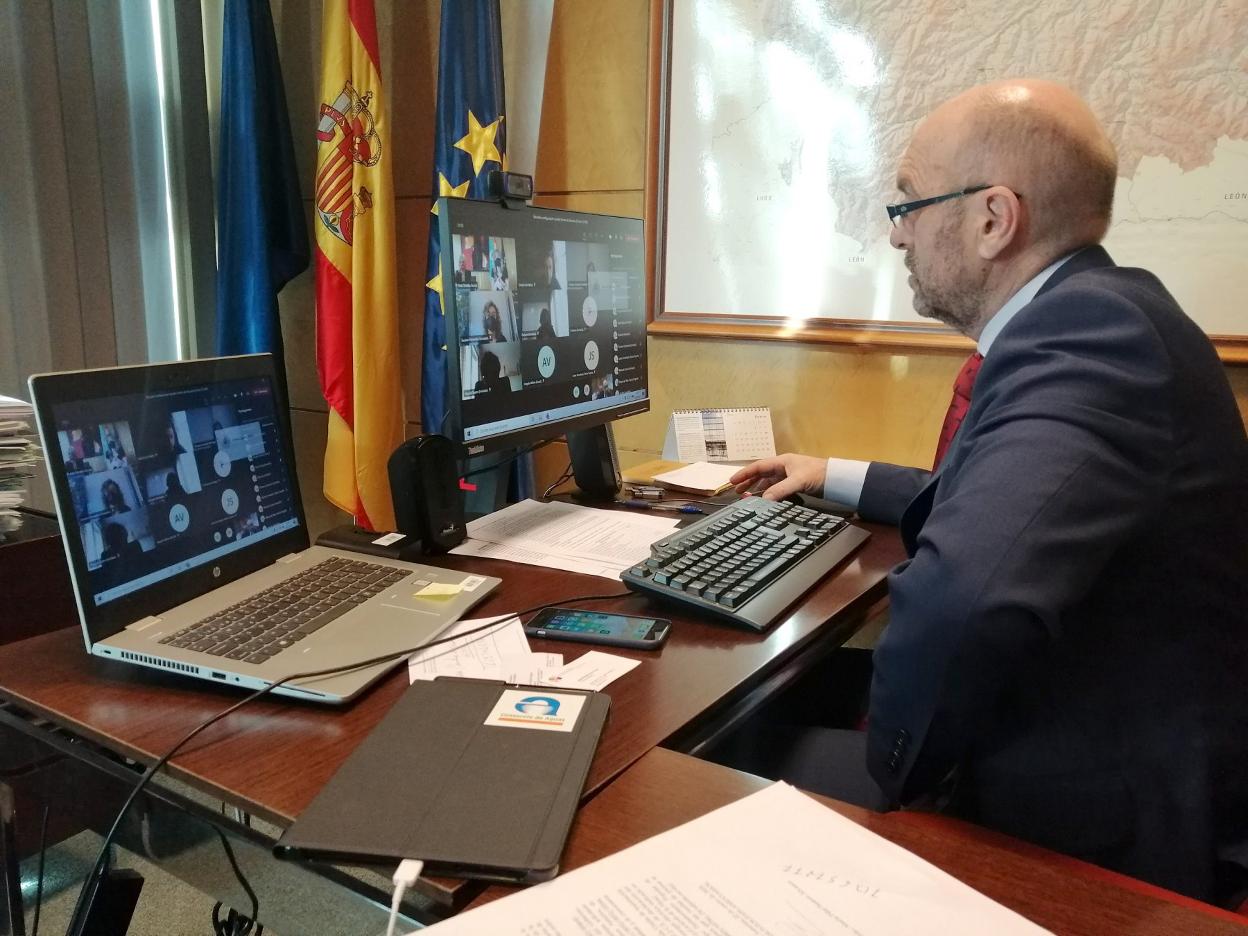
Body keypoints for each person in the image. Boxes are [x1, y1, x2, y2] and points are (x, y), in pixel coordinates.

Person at [729, 80, 1248, 905]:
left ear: (993, 220)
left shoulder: (1091, 336)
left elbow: (962, 599)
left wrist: (896, 787)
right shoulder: (1104, 311)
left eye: (908, 204)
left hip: (1098, 821)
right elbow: (998, 499)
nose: (896, 234)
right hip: (1099, 735)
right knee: (771, 705)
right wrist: (835, 474)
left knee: (712, 758)